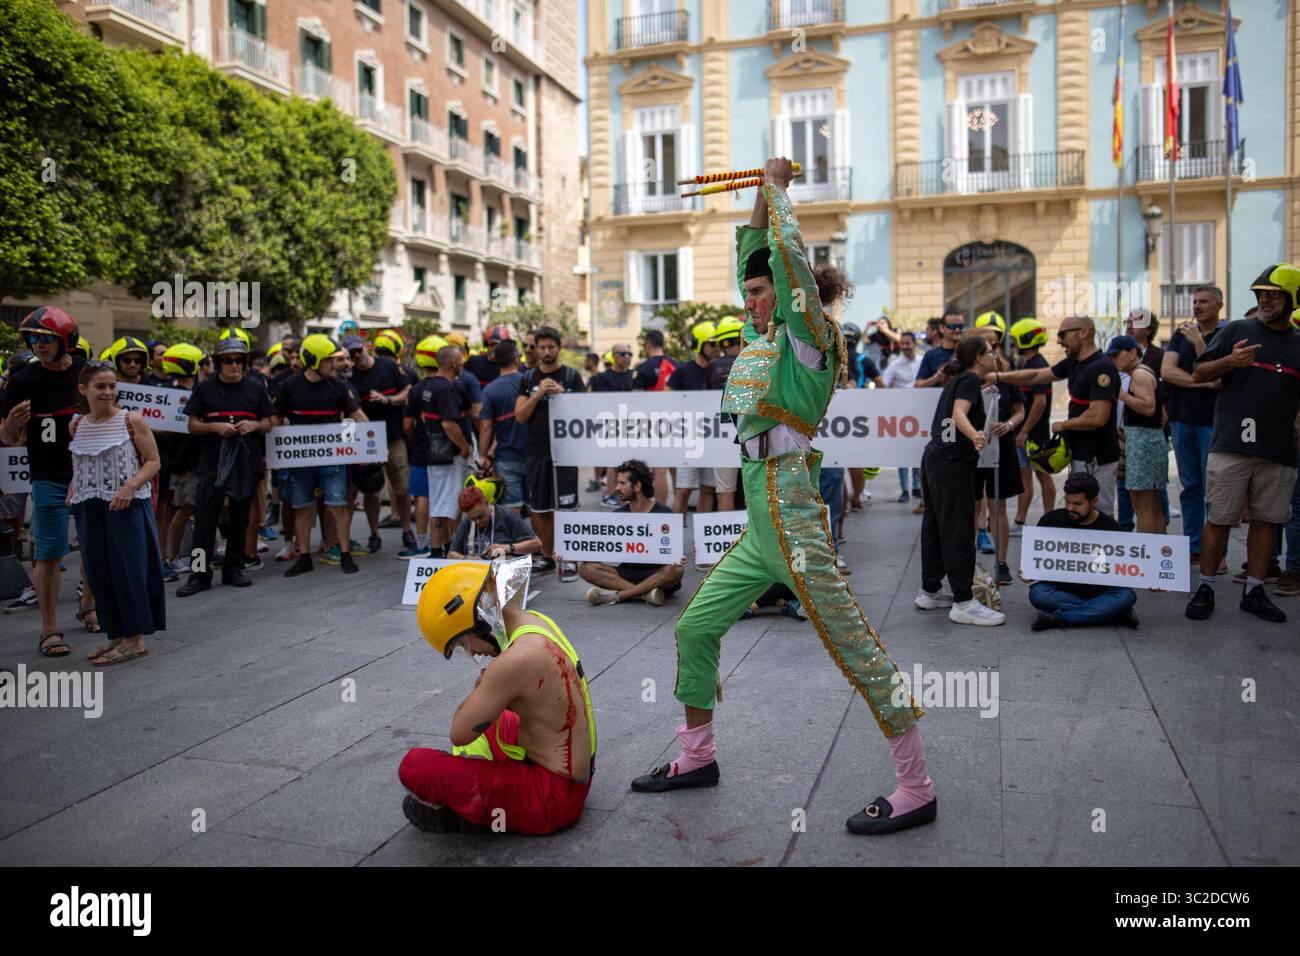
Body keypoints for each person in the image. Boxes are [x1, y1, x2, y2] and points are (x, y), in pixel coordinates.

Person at [630, 159, 936, 839]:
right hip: (759, 515)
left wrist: (780, 193)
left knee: (852, 643)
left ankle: (917, 785)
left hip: (793, 509)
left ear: (793, 295)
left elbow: (789, 268)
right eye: (750, 294)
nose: (752, 300)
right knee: (694, 627)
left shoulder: (811, 339)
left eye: (762, 292)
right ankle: (697, 757)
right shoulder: (761, 340)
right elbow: (756, 255)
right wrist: (754, 208)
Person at [401, 560, 595, 835]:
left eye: (463, 644)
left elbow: (459, 733)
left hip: (554, 800)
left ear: (476, 623)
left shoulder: (514, 660)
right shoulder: (535, 623)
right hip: (573, 773)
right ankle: (486, 785)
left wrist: (485, 683)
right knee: (494, 718)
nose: (474, 653)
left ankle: (473, 817)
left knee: (415, 766)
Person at [1185, 264, 1300, 624]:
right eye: (1260, 294)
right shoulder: (1238, 329)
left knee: (1267, 521)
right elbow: (1199, 372)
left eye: (1273, 294)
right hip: (1232, 445)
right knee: (1218, 519)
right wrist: (1230, 361)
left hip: (1278, 450)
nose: (1264, 300)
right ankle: (1205, 587)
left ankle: (1254, 590)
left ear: (1293, 299)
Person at [0, 307, 99, 653]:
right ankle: (49, 629)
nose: (38, 345)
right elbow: (8, 437)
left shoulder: (85, 375)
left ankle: (89, 606)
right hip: (47, 477)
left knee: (93, 546)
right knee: (49, 553)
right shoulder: (22, 381)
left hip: (88, 473)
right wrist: (12, 422)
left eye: (46, 339)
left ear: (66, 341)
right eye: (33, 339)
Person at [67, 362, 166, 664]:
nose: (108, 392)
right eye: (100, 386)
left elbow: (153, 461)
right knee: (99, 572)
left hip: (126, 505)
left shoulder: (131, 420)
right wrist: (73, 489)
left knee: (129, 570)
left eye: (112, 386)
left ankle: (135, 640)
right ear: (84, 390)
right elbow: (82, 462)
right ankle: (117, 636)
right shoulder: (77, 424)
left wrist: (129, 486)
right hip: (89, 505)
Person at [915, 334, 1005, 625]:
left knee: (934, 524)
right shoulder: (967, 381)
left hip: (936, 458)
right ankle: (964, 602)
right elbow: (958, 414)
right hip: (951, 463)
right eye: (990, 351)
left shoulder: (959, 381)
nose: (994, 355)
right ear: (979, 358)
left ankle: (929, 591)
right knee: (958, 528)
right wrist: (975, 434)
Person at [177, 337, 276, 596]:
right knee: (205, 522)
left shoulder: (255, 387)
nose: (233, 365)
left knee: (240, 520)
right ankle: (199, 575)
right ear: (219, 363)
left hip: (245, 462)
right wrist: (215, 427)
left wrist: (254, 425)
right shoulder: (204, 389)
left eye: (238, 360)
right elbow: (192, 424)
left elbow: (269, 421)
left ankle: (234, 568)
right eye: (227, 361)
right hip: (212, 463)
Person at [996, 315, 1121, 516]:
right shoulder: (1073, 362)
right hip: (1080, 453)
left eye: (1063, 334)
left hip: (1098, 456)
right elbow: (1036, 375)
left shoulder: (1101, 367)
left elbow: (1098, 417)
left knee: (1099, 513)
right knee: (1079, 512)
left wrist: (1064, 425)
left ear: (1084, 332)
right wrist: (999, 377)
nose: (1059, 341)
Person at [273, 333, 368, 576]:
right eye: (328, 360)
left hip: (333, 457)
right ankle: (304, 556)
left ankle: (344, 553)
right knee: (302, 507)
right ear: (314, 360)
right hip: (300, 460)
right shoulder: (289, 386)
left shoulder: (338, 386)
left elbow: (355, 416)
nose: (333, 364)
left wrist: (369, 442)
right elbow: (276, 420)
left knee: (338, 505)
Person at [1021, 472, 1139, 631]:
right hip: (1062, 591)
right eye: (1067, 502)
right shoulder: (1050, 520)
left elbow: (1122, 569)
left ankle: (1060, 618)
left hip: (1099, 591)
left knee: (1126, 596)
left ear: (1094, 501)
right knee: (1038, 593)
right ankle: (1111, 613)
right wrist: (1029, 570)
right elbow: (1038, 559)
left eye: (1078, 504)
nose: (1070, 508)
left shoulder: (1110, 527)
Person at [1162, 286, 1226, 565]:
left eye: (1204, 301)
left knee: (1214, 490)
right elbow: (1166, 371)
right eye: (1195, 301)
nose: (1197, 306)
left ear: (1219, 305)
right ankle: (1194, 547)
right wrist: (1203, 380)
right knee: (1189, 488)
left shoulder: (1228, 334)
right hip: (1181, 421)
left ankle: (1217, 553)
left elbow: (1220, 375)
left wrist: (1199, 342)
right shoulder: (1181, 333)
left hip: (1212, 423)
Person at [515, 327, 585, 572]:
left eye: (550, 347)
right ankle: (546, 555)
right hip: (537, 452)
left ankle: (569, 555)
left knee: (567, 508)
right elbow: (520, 416)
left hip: (566, 452)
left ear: (559, 348)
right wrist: (537, 395)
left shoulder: (571, 375)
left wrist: (562, 395)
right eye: (541, 347)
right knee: (542, 508)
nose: (546, 352)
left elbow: (584, 413)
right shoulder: (528, 378)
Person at [579, 458, 685, 606]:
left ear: (637, 486)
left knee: (676, 570)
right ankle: (645, 594)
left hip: (656, 574)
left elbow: (674, 556)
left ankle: (621, 595)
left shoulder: (665, 514)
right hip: (625, 574)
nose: (617, 488)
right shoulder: (618, 515)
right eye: (617, 483)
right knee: (586, 568)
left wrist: (678, 557)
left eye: (622, 483)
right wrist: (571, 553)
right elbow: (597, 549)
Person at [347, 335, 412, 552]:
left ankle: (407, 531)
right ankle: (374, 534)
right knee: (370, 489)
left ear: (366, 348)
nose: (357, 356)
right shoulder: (351, 376)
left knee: (401, 487)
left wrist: (388, 400)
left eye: (358, 350)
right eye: (351, 354)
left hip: (393, 436)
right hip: (365, 441)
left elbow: (407, 392)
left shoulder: (388, 366)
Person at [974, 346, 1024, 585]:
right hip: (974, 449)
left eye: (993, 351)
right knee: (973, 505)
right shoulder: (968, 380)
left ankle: (1001, 562)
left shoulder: (1007, 379)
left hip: (1001, 448)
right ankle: (969, 561)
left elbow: (1019, 411)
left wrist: (1009, 425)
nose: (991, 356)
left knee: (998, 506)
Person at [418, 345, 475, 558]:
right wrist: (464, 447)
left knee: (442, 500)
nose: (462, 363)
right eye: (460, 360)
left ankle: (447, 545)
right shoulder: (447, 389)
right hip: (448, 455)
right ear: (452, 363)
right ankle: (435, 552)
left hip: (434, 453)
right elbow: (449, 424)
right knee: (443, 503)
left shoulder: (428, 386)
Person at [1116, 308, 1170, 531]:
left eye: (1134, 322)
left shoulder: (1151, 362)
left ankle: (1149, 551)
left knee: (1146, 501)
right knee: (1142, 497)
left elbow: (1152, 406)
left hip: (1143, 436)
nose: (1129, 325)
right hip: (1130, 433)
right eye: (1127, 321)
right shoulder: (1129, 363)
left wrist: (1120, 394)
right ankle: (1151, 545)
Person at [159, 343, 205, 581]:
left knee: (197, 509)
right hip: (183, 462)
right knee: (184, 508)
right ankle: (172, 556)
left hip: (201, 459)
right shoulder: (168, 393)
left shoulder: (200, 390)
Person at [1007, 318, 1056, 534]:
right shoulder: (1030, 364)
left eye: (1015, 340)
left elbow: (1040, 402)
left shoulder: (1038, 366)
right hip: (1026, 433)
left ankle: (1048, 519)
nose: (1013, 344)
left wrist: (1025, 431)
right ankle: (1020, 521)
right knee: (1025, 475)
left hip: (1034, 434)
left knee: (1042, 475)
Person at [667, 321, 719, 515]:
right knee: (683, 490)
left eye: (719, 344)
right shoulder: (683, 371)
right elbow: (666, 399)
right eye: (712, 344)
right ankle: (672, 536)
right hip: (688, 439)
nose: (716, 349)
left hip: (713, 438)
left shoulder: (718, 369)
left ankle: (702, 542)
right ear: (700, 344)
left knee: (708, 489)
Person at [477, 340, 527, 516]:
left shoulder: (490, 390)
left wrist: (483, 456)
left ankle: (513, 543)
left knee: (512, 507)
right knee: (538, 507)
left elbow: (486, 426)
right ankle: (538, 543)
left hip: (506, 457)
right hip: (534, 455)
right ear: (516, 359)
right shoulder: (529, 383)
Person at [587, 341, 634, 509]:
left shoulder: (632, 375)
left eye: (629, 354)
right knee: (613, 462)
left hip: (631, 424)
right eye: (623, 354)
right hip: (610, 424)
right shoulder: (602, 378)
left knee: (626, 463)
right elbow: (598, 401)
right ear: (614, 356)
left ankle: (623, 494)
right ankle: (610, 494)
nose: (627, 357)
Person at [706, 318, 745, 512]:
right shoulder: (753, 360)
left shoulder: (712, 366)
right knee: (753, 492)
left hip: (719, 436)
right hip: (750, 434)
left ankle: (725, 541)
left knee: (725, 492)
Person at [881, 331, 923, 502]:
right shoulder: (895, 364)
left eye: (908, 343)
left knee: (919, 450)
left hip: (920, 411)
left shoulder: (923, 360)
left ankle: (917, 487)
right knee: (903, 453)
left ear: (914, 344)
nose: (905, 346)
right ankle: (905, 489)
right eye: (903, 344)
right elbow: (884, 383)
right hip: (902, 414)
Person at [447, 484, 541, 559]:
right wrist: (466, 558)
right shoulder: (467, 522)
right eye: (473, 519)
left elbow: (537, 544)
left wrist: (507, 548)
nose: (478, 521)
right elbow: (451, 555)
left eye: (481, 516)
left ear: (487, 502)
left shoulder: (506, 516)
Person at [914, 309, 965, 388]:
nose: (957, 330)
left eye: (960, 326)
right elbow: (918, 385)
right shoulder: (931, 355)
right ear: (941, 328)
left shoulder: (969, 352)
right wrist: (937, 377)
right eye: (952, 326)